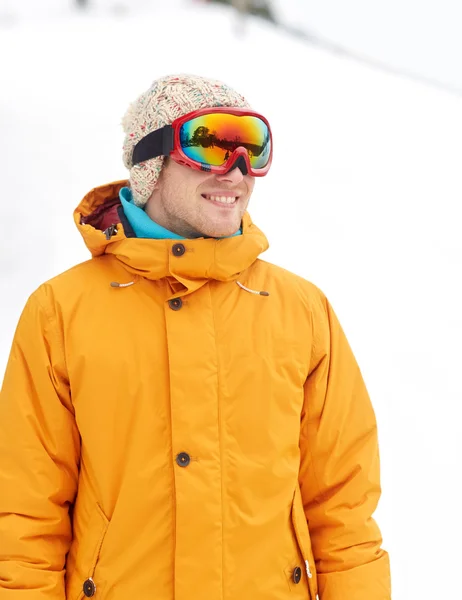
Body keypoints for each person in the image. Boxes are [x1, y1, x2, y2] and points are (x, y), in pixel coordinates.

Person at [0, 74, 391, 600]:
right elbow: (24, 515)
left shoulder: (301, 311)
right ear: (150, 163)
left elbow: (343, 510)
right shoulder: (62, 313)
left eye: (253, 147)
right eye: (209, 143)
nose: (237, 171)